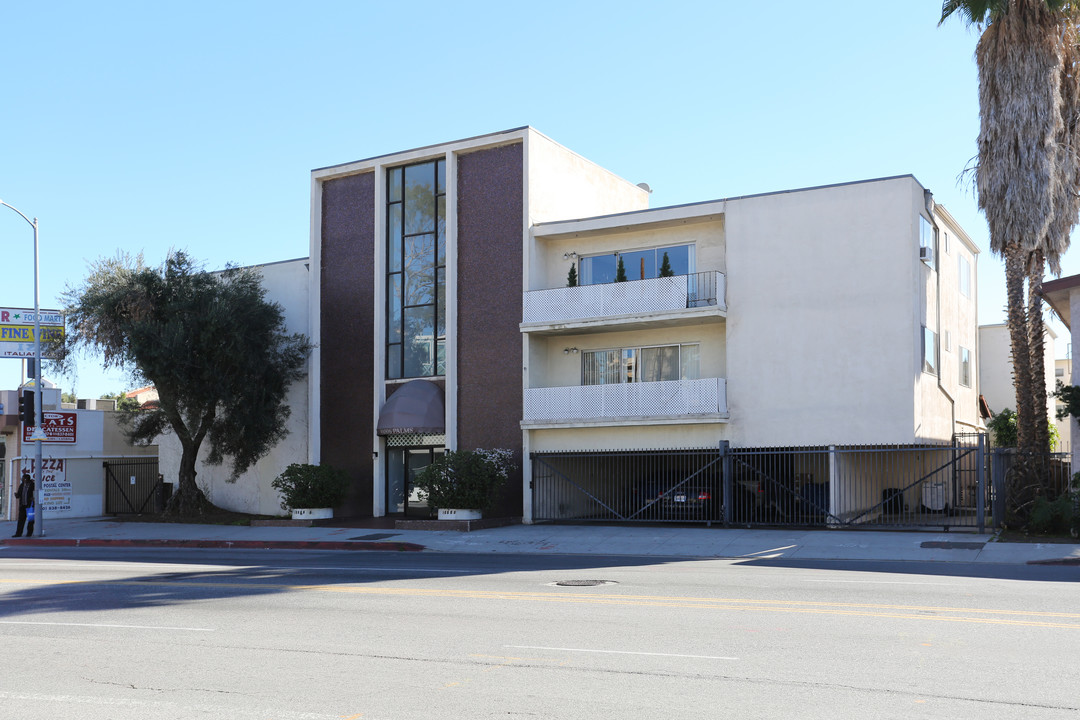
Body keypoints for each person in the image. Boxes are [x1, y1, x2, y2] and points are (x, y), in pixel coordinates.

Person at [13, 472, 34, 538]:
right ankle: (18, 533)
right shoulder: (22, 485)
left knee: (30, 520)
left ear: (27, 479)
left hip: (30, 505)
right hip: (22, 505)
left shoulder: (32, 485)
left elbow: (34, 494)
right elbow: (19, 494)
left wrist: (33, 499)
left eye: (23, 479)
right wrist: (17, 495)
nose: (22, 480)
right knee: (21, 520)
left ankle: (29, 533)